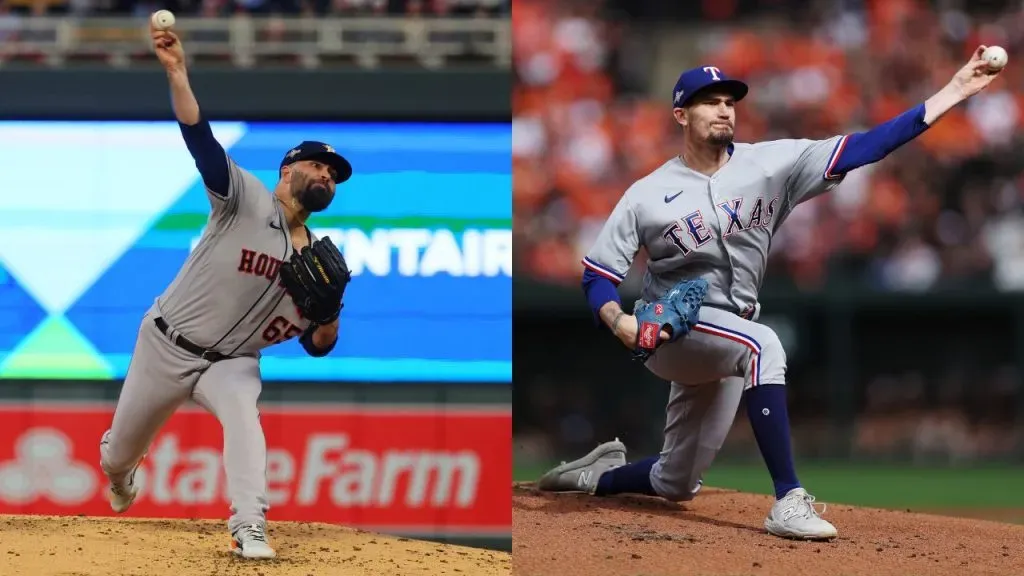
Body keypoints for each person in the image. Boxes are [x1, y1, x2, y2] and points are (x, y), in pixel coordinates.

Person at [536, 48, 1003, 540]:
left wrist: (955, 90)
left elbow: (869, 146)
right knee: (765, 344)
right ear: (680, 115)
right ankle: (788, 499)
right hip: (673, 331)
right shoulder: (647, 193)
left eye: (729, 101)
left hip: (728, 330)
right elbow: (597, 274)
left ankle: (595, 474)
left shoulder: (772, 163)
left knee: (675, 482)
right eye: (708, 101)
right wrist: (617, 320)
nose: (722, 109)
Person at [98, 21, 353, 559]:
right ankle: (123, 475)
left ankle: (250, 524)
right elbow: (200, 139)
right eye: (317, 164)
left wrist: (330, 311)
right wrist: (176, 73)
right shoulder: (245, 197)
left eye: (334, 173)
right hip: (167, 342)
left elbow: (319, 344)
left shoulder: (319, 260)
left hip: (232, 361)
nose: (326, 175)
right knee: (116, 457)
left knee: (245, 421)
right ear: (287, 170)